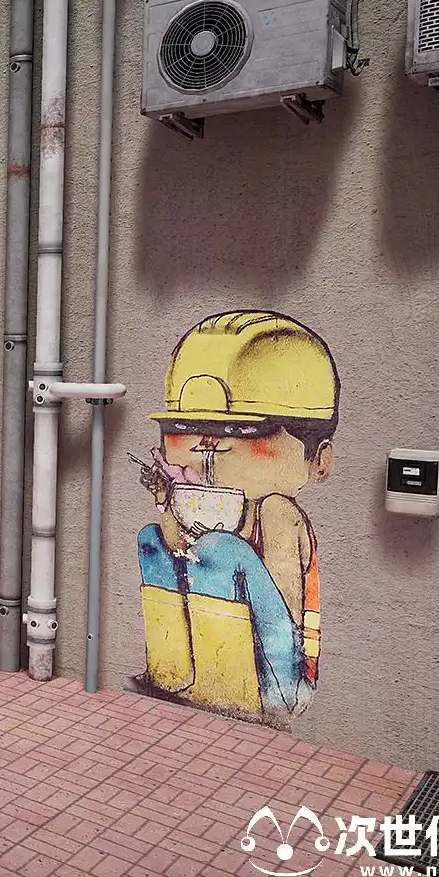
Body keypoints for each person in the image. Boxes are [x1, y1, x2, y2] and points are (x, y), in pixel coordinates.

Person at [135, 311, 338, 728]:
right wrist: (166, 503)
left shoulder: (278, 512)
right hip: (217, 656)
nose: (209, 446)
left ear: (319, 460)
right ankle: (175, 673)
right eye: (185, 429)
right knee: (152, 539)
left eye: (248, 434)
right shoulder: (225, 511)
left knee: (218, 549)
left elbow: (283, 619)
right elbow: (179, 551)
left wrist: (218, 546)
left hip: (279, 676)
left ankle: (228, 684)